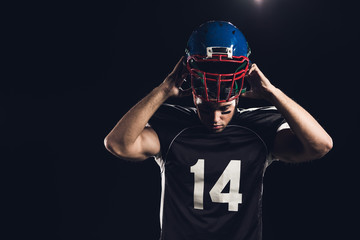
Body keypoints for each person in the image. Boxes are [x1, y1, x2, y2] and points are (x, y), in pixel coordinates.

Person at [104, 21, 333, 240]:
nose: (215, 119)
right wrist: (163, 90)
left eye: (224, 110)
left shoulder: (257, 129)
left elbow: (321, 145)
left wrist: (273, 92)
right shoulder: (174, 128)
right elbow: (117, 144)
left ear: (237, 99)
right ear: (194, 98)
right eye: (205, 109)